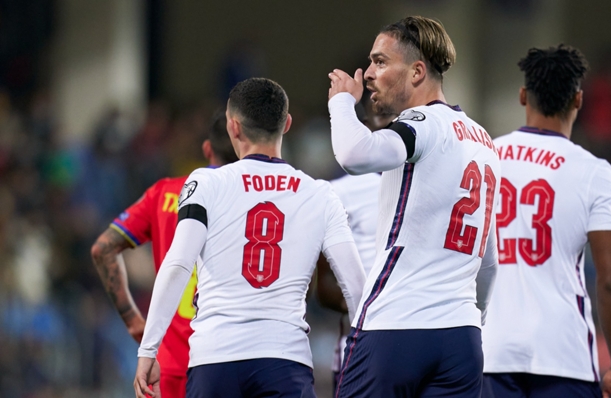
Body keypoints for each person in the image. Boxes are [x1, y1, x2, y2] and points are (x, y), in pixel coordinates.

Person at [133, 77, 367, 398]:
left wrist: (149, 349)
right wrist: (364, 357)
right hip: (285, 359)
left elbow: (177, 264)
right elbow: (355, 286)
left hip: (215, 360)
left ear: (233, 127)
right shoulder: (320, 194)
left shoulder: (204, 184)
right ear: (286, 124)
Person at [327, 16, 500, 397]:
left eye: (381, 62)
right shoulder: (486, 141)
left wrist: (341, 101)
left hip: (397, 328)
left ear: (418, 71)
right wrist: (474, 319)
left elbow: (355, 154)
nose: (369, 73)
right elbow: (489, 260)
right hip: (462, 338)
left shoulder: (421, 122)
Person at [481, 45, 611, 398]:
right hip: (565, 357)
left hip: (490, 351)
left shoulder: (485, 157)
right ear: (578, 100)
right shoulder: (595, 172)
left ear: (523, 96)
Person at [90, 111, 238, 398]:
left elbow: (102, 249)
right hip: (226, 365)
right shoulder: (255, 201)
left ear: (207, 149)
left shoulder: (164, 193)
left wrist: (135, 322)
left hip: (166, 368)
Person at [316, 89, 396, 394]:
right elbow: (323, 286)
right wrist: (368, 301)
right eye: (386, 117)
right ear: (365, 124)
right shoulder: (339, 191)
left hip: (421, 341)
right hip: (360, 347)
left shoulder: (430, 182)